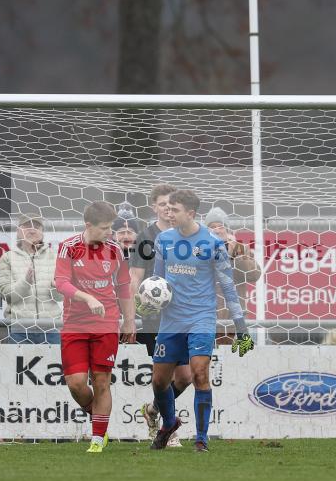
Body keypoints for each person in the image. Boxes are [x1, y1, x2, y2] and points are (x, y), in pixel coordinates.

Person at [148, 190, 254, 452]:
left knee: (199, 374)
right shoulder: (163, 240)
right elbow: (157, 282)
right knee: (159, 382)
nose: (169, 214)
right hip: (171, 320)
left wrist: (241, 327)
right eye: (167, 209)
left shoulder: (213, 243)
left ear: (191, 213)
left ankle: (201, 439)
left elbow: (228, 286)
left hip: (202, 318)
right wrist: (148, 301)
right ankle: (168, 424)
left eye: (175, 210)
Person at [54, 202, 136, 453]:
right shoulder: (69, 247)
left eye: (111, 228)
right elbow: (61, 282)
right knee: (76, 384)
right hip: (75, 324)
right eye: (104, 228)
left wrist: (129, 321)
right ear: (88, 225)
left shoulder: (116, 250)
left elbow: (124, 287)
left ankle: (98, 439)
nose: (110, 233)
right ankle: (98, 419)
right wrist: (87, 298)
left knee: (101, 381)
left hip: (107, 323)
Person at [129, 184, 189, 446]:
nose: (167, 208)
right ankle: (169, 429)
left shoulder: (186, 236)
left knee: (185, 377)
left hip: (184, 315)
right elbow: (135, 277)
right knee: (165, 376)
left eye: (171, 205)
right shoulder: (145, 237)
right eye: (162, 204)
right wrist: (135, 312)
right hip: (156, 318)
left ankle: (152, 410)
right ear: (153, 206)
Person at [0, 213, 62, 344]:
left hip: (51, 329)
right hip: (19, 330)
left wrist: (56, 287)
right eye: (27, 226)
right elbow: (6, 295)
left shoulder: (55, 257)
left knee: (55, 359)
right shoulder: (8, 258)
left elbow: (60, 297)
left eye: (36, 227)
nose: (32, 230)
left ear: (42, 233)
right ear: (18, 231)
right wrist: (25, 282)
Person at [204, 206, 262, 345]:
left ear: (228, 229)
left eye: (221, 226)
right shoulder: (200, 250)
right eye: (212, 227)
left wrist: (234, 251)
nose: (217, 230)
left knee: (232, 355)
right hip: (205, 317)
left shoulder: (239, 248)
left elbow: (254, 274)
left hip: (233, 321)